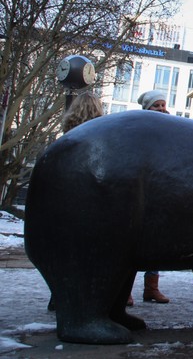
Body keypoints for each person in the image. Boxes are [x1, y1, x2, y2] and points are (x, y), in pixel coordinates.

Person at [48, 92, 107, 311]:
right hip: (88, 199)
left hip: (63, 199)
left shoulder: (66, 136)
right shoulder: (99, 134)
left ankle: (59, 294)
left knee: (65, 250)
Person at [136, 90, 171, 304]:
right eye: (155, 105)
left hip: (162, 190)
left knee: (154, 240)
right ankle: (124, 292)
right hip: (142, 189)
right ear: (147, 108)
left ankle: (151, 288)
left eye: (162, 104)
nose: (160, 108)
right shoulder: (139, 127)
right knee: (133, 242)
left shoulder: (171, 126)